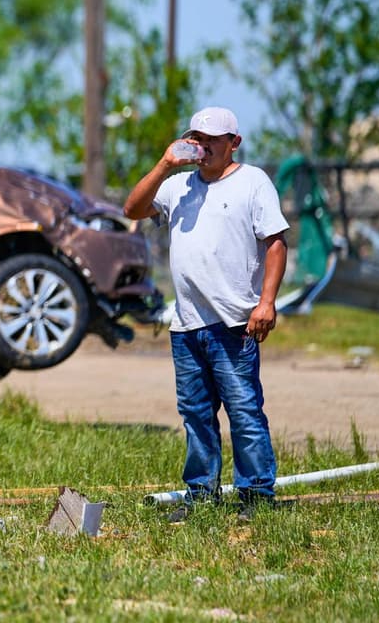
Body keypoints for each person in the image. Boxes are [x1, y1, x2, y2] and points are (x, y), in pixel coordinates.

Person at [123, 106, 289, 523]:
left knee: (244, 411)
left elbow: (275, 244)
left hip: (234, 323)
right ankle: (201, 494)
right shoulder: (177, 186)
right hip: (187, 325)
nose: (205, 145)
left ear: (234, 142)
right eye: (197, 136)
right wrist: (164, 164)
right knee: (196, 415)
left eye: (214, 138)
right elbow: (133, 209)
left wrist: (266, 303)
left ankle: (255, 497)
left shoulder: (253, 182)